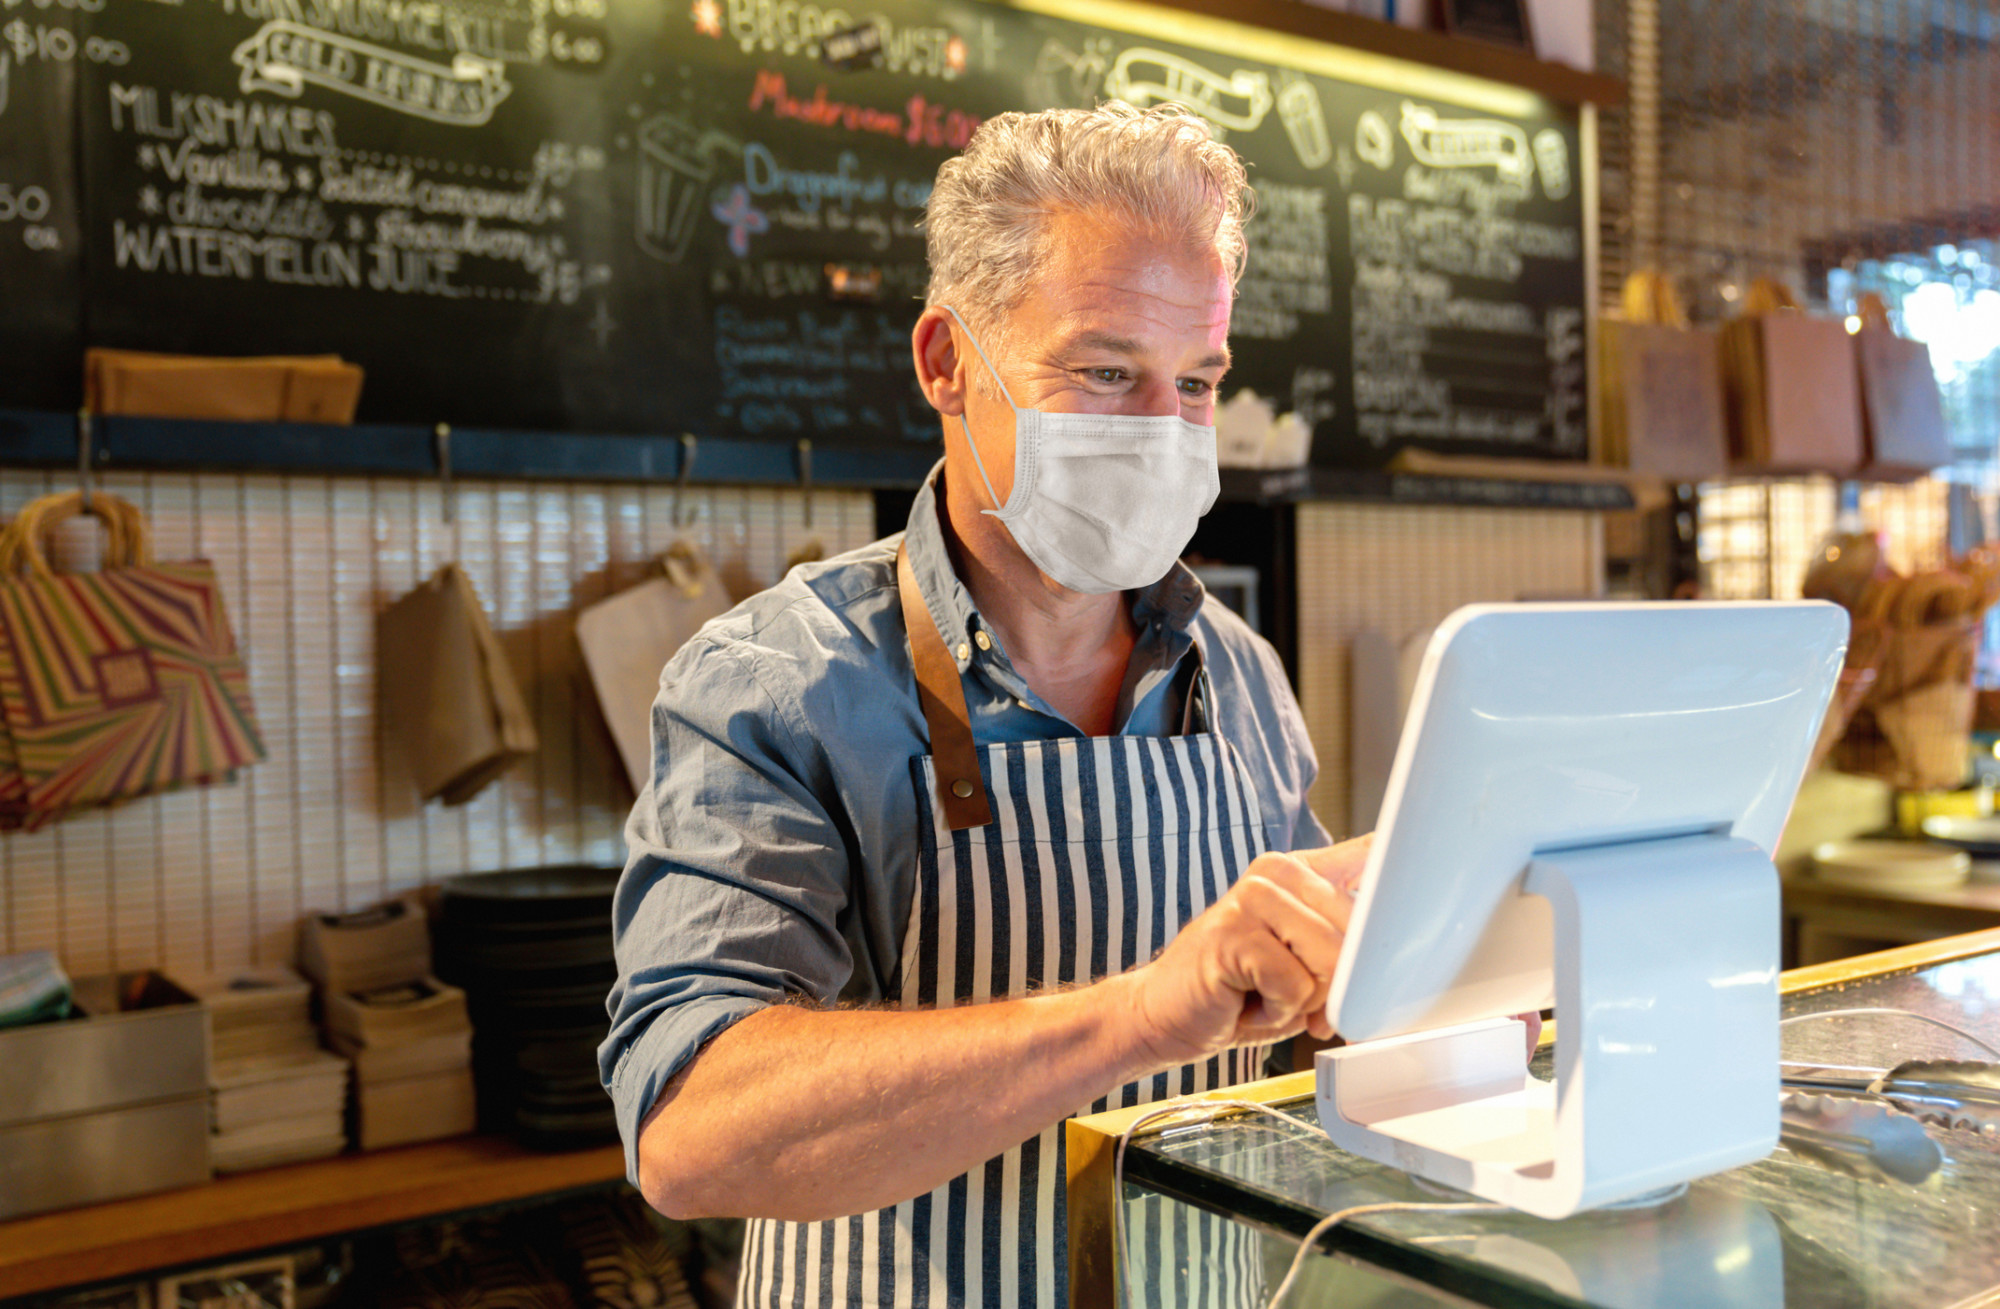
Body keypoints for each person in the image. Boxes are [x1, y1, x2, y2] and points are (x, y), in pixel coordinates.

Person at [601, 102, 1367, 1307]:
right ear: (947, 363)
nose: (1162, 432)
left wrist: (1397, 970)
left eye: (1196, 383)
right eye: (1106, 372)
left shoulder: (1240, 677)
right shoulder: (775, 684)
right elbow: (688, 1128)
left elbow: (1297, 1036)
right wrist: (1129, 1018)